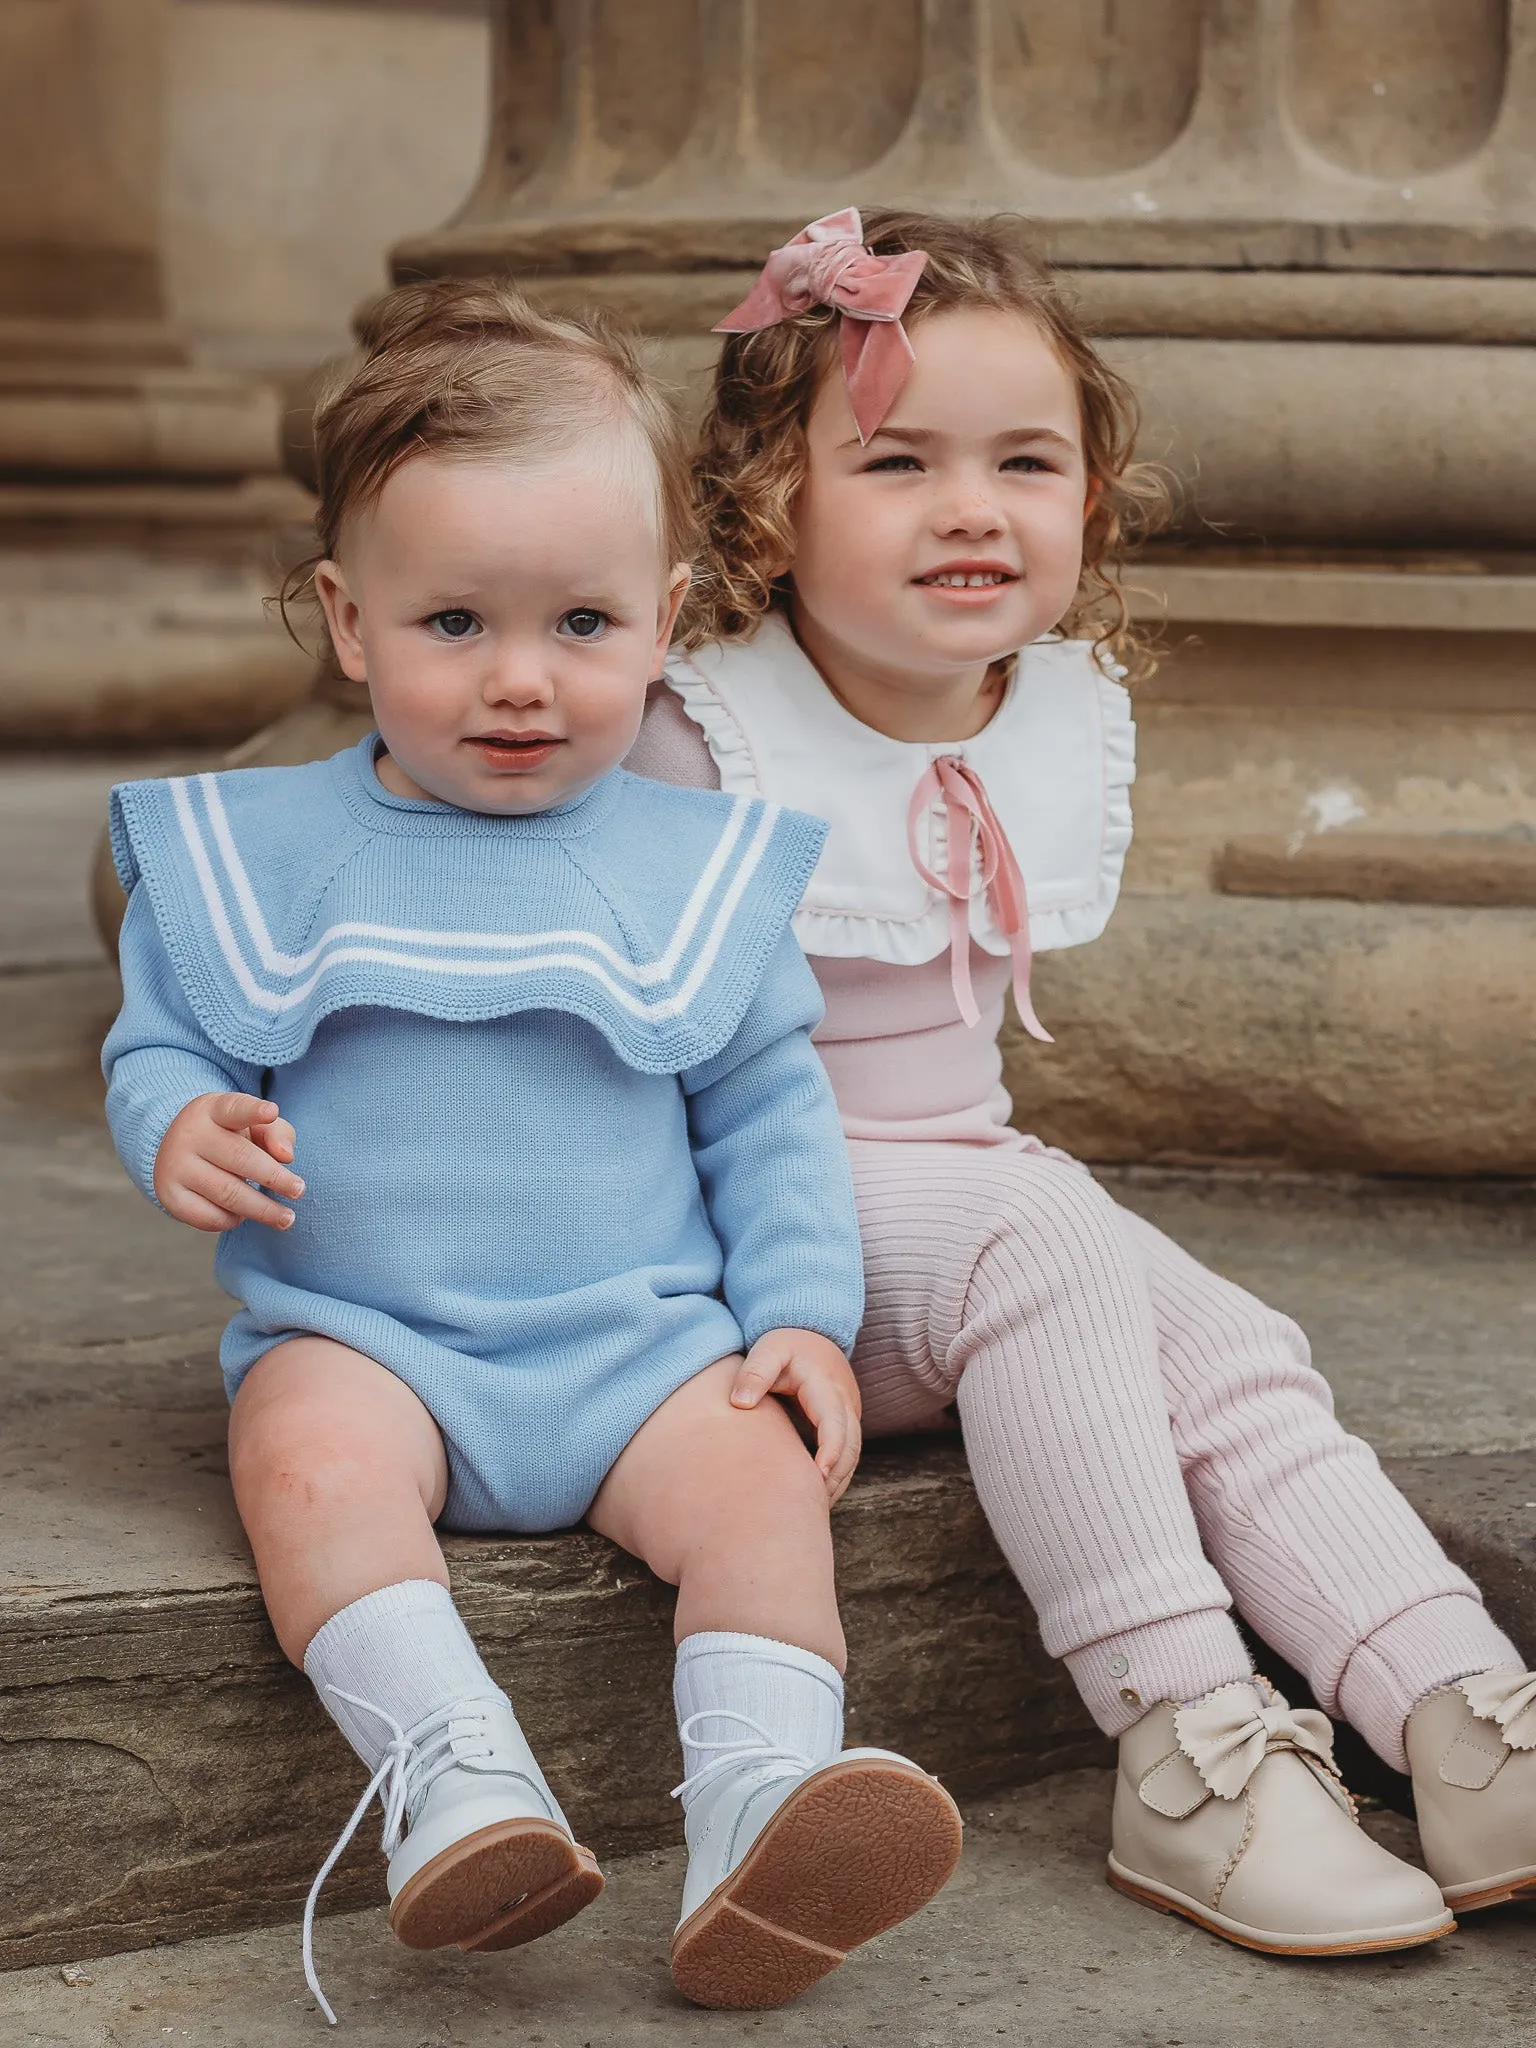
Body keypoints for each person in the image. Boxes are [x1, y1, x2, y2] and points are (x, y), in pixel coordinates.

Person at [625, 206, 1536, 1957]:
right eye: (896, 460)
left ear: (1090, 501)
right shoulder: (696, 735)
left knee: (1237, 1354)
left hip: (969, 1219)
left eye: (1027, 460)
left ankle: (1453, 1705)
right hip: (751, 1250)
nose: (974, 506)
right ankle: (1184, 1737)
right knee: (1045, 1227)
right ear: (767, 505)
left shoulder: (1033, 704)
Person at [101, 279, 962, 2024]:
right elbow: (164, 1037)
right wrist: (176, 1120)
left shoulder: (686, 867)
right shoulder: (260, 854)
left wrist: (796, 1313)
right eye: (452, 624)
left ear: (664, 617)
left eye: (581, 623)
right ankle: (457, 1778)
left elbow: (769, 1110)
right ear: (349, 621)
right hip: (370, 1343)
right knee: (304, 1468)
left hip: (639, 1351)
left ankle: (757, 1807)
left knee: (760, 1495)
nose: (519, 681)